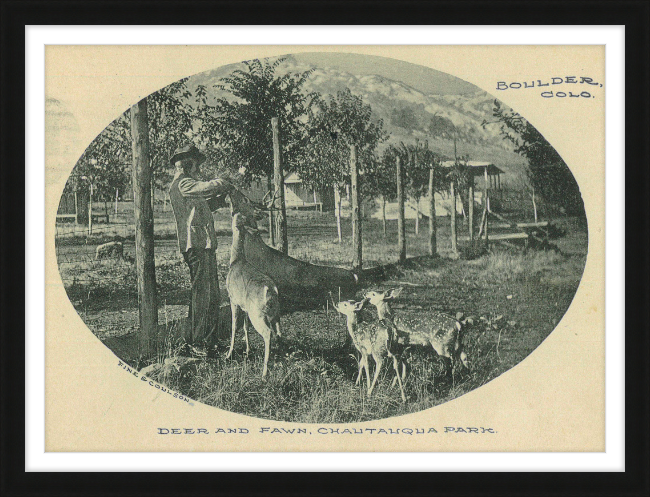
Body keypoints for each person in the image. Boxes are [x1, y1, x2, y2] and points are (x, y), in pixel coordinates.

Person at [168, 144, 234, 354]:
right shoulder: (183, 183)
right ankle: (197, 342)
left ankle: (209, 340)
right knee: (202, 295)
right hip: (195, 245)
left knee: (211, 294)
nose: (199, 168)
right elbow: (205, 188)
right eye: (197, 164)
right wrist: (224, 183)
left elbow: (200, 207)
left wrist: (219, 201)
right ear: (188, 164)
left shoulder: (188, 185)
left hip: (202, 245)